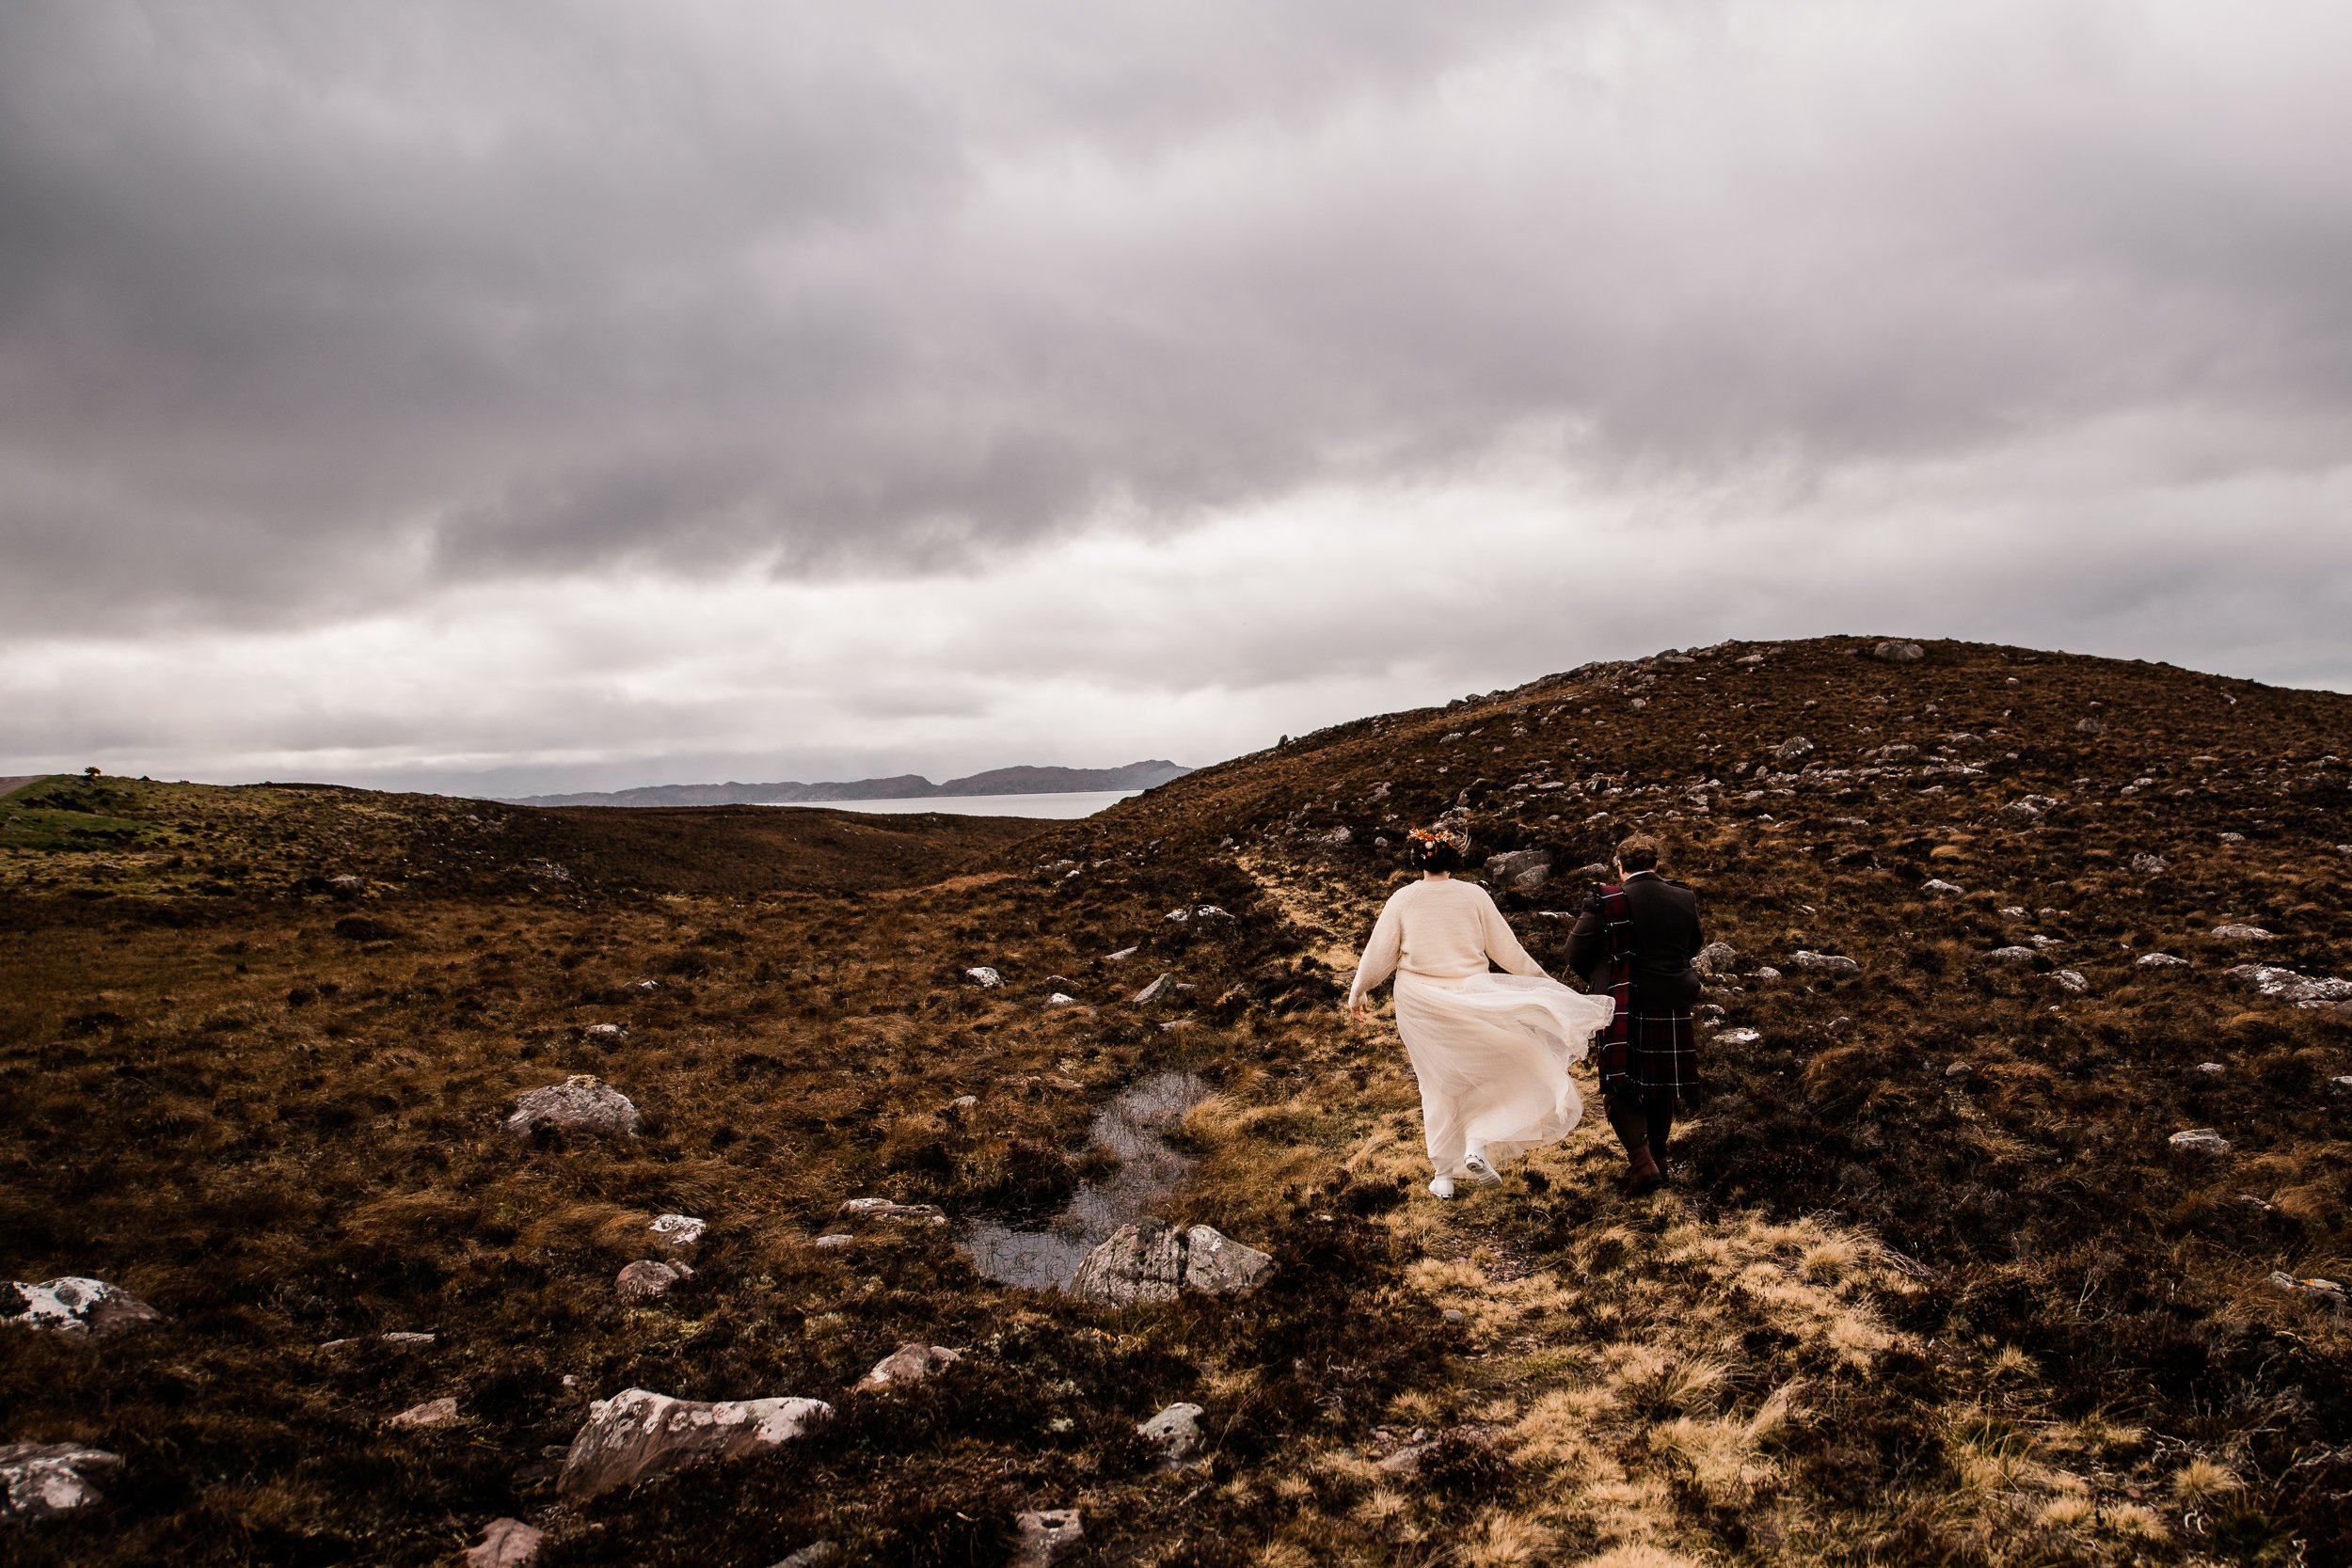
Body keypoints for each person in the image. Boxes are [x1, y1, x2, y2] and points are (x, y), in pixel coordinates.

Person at [1347, 826, 1615, 1198]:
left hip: (1420, 1002)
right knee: (1491, 1072)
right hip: (1474, 995)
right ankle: (1477, 1141)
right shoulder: (1474, 896)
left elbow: (1379, 954)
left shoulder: (1403, 899)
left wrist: (1358, 991)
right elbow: (1507, 950)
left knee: (1437, 1084)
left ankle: (1443, 1175)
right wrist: (1544, 983)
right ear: (1454, 859)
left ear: (1415, 859)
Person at [1565, 832, 1705, 1196]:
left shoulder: (1607, 899)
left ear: (1620, 866)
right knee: (1662, 1089)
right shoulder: (1683, 897)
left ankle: (1643, 1164)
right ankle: (1659, 1157)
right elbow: (1692, 945)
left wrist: (1603, 980)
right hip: (1671, 1002)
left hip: (1621, 1004)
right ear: (1657, 864)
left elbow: (1574, 952)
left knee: (1618, 1085)